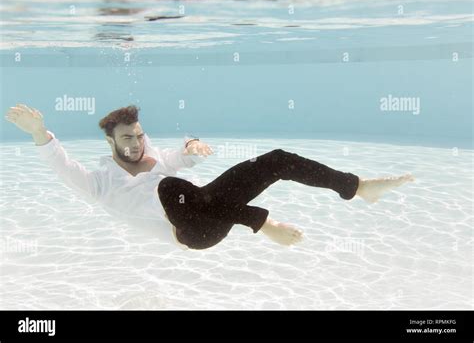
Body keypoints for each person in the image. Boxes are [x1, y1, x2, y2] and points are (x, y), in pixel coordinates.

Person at [5, 104, 415, 250]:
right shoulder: (98, 182)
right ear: (111, 141)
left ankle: (357, 187)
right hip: (194, 235)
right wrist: (40, 134)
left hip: (208, 208)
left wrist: (192, 147)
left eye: (140, 134)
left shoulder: (158, 159)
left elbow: (180, 157)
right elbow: (61, 166)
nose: (136, 142)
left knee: (274, 159)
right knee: (172, 188)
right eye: (127, 137)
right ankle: (262, 224)